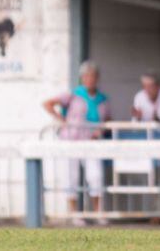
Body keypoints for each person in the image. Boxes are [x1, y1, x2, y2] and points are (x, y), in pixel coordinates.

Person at [42, 60, 110, 226]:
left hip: (91, 141)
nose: (90, 79)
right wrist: (62, 120)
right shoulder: (73, 94)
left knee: (95, 176)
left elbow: (107, 120)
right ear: (82, 78)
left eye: (93, 76)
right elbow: (48, 103)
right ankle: (74, 214)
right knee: (70, 176)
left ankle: (98, 212)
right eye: (86, 76)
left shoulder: (103, 99)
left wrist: (100, 131)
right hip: (71, 141)